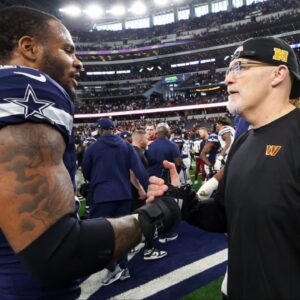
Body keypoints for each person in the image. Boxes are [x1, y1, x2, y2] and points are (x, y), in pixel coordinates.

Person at [0, 6, 180, 299]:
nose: (78, 62)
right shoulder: (25, 86)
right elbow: (56, 252)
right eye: (68, 50)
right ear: (28, 47)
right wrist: (155, 215)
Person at [146, 36, 300, 299]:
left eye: (240, 68)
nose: (228, 79)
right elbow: (225, 214)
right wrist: (185, 202)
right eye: (229, 71)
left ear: (278, 73)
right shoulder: (242, 142)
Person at [81, 118, 149, 284]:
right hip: (124, 195)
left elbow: (86, 172)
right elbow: (138, 169)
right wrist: (147, 188)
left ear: (100, 130)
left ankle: (112, 268)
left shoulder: (93, 147)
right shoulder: (126, 146)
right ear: (113, 129)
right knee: (122, 234)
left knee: (98, 236)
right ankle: (123, 267)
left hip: (102, 196)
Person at [131, 129, 167, 260]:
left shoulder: (131, 151)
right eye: (146, 138)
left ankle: (134, 243)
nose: (148, 141)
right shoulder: (136, 153)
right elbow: (132, 172)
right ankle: (149, 249)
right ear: (141, 140)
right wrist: (141, 188)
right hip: (138, 191)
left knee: (134, 219)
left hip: (131, 191)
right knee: (146, 218)